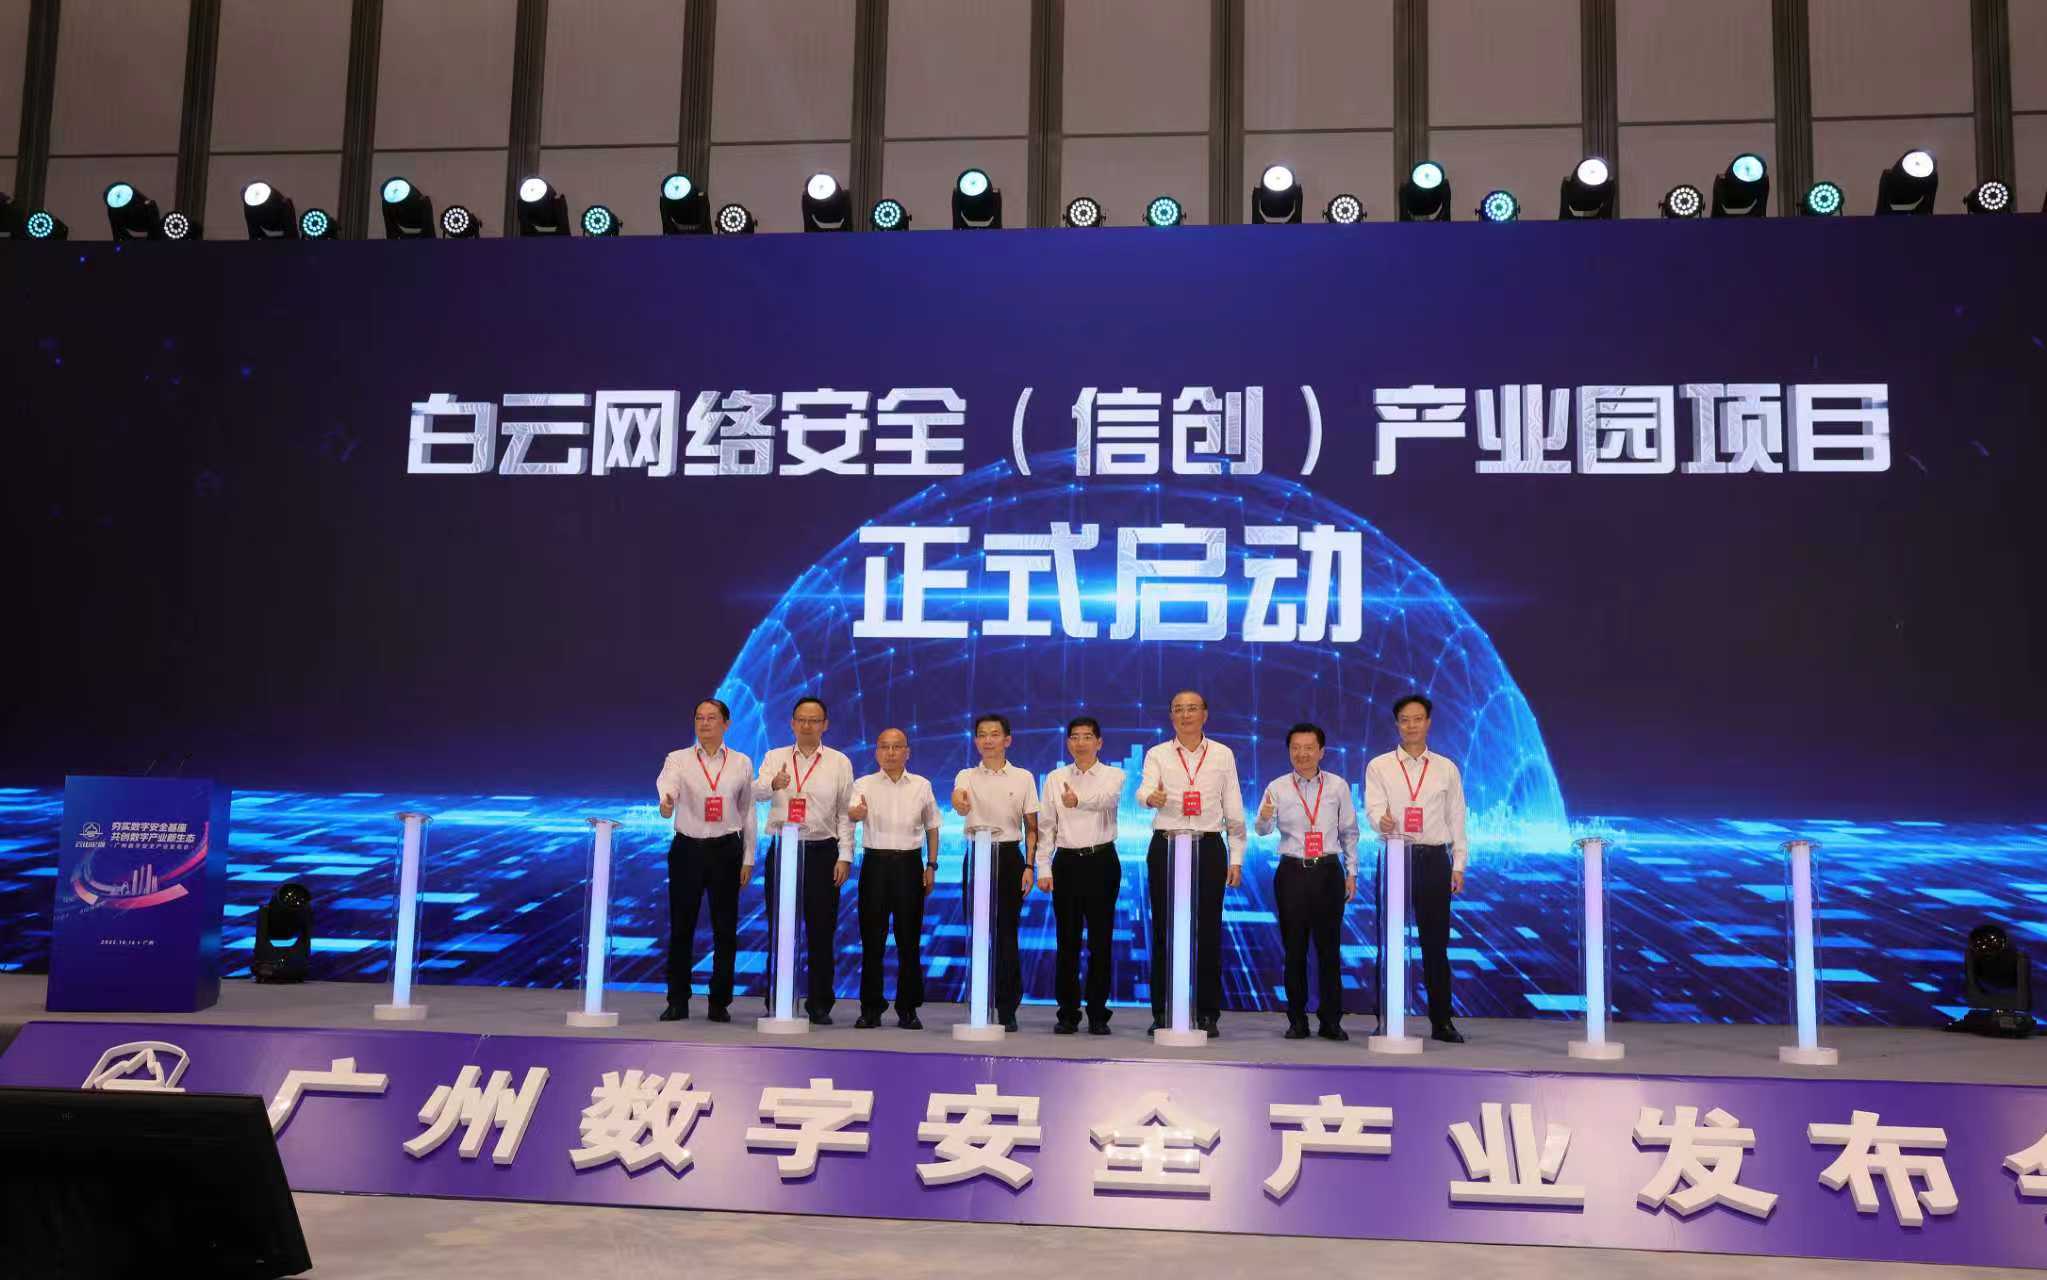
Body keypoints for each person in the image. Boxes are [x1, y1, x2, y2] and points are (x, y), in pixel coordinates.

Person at [1363, 694, 1470, 1044]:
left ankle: (1442, 1022)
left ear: (1428, 723)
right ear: (1397, 724)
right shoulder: (1379, 766)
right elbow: (1373, 809)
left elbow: (1457, 817)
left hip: (1435, 858)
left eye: (1418, 719)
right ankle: (1387, 1018)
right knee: (1390, 942)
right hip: (1395, 856)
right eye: (1405, 720)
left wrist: (1459, 863)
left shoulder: (1446, 768)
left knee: (1435, 944)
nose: (1411, 725)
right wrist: (1381, 821)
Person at [1139, 690, 1245, 1037]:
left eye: (1192, 709)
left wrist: (1236, 857)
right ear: (1171, 716)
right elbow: (1143, 791)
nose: (1185, 715)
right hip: (1167, 845)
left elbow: (1233, 806)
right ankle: (1163, 1011)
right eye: (1178, 710)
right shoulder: (1157, 754)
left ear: (1205, 714)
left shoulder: (1222, 754)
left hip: (1209, 845)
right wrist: (1151, 797)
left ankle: (1207, 1013)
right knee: (1164, 929)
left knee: (1208, 930)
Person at [754, 696, 856, 1026]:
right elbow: (755, 793)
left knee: (821, 930)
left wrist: (845, 855)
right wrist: (773, 783)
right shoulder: (775, 757)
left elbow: (845, 813)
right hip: (784, 850)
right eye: (802, 719)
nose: (807, 725)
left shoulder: (839, 762)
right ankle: (778, 997)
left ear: (825, 724)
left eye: (814, 720)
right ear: (792, 723)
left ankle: (819, 1003)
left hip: (823, 852)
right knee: (780, 928)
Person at [1255, 722, 1359, 1041]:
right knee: (1295, 950)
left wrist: (1352, 871)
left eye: (1309, 748)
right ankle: (1297, 1020)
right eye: (1296, 748)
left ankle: (1331, 1021)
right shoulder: (1277, 787)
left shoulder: (1338, 786)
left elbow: (1349, 832)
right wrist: (1265, 816)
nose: (1302, 754)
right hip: (1292, 872)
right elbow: (1261, 830)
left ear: (1321, 751)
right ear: (1289, 751)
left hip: (1328, 871)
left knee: (1329, 950)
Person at [655, 698, 756, 1022]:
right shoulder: (678, 759)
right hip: (688, 850)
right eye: (699, 717)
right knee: (681, 927)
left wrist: (748, 857)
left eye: (712, 718)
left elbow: (747, 811)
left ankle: (719, 1002)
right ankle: (677, 1000)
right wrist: (666, 803)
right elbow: (667, 785)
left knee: (725, 929)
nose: (704, 723)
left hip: (727, 850)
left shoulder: (741, 762)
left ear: (726, 724)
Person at [846, 728, 940, 1030]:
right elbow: (851, 814)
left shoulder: (922, 785)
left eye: (897, 747)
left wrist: (931, 865)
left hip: (909, 865)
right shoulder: (863, 784)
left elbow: (932, 827)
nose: (890, 752)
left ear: (907, 752)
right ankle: (870, 1008)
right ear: (876, 752)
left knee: (909, 940)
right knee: (872, 939)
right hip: (875, 864)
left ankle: (908, 1008)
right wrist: (856, 813)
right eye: (884, 747)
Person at [951, 713, 1039, 1033]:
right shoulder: (966, 776)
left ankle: (1007, 1007)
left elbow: (1032, 827)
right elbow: (959, 799)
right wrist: (960, 804)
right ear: (976, 741)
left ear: (1007, 740)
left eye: (994, 734)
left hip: (1010, 857)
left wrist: (1029, 865)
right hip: (977, 856)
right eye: (982, 734)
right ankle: (978, 1001)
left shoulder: (1023, 777)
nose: (988, 740)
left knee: (1006, 933)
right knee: (978, 932)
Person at [1038, 716, 1125, 1035]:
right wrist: (1043, 867)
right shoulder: (1055, 778)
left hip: (1102, 861)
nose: (1080, 743)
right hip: (1066, 863)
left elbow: (1108, 800)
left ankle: (1098, 1013)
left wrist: (1079, 800)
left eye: (1087, 737)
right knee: (1067, 941)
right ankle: (1067, 1013)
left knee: (1101, 941)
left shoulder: (1114, 775)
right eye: (1074, 737)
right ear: (1068, 743)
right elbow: (1046, 826)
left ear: (1099, 742)